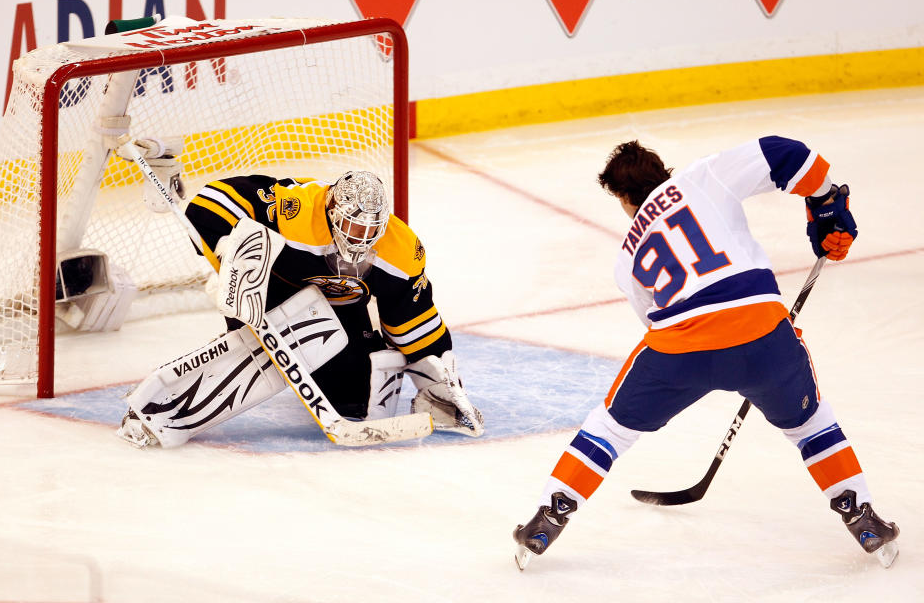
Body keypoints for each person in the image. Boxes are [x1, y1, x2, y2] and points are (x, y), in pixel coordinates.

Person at [512, 137, 899, 569]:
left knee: (611, 428)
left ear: (623, 198)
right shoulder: (704, 176)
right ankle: (862, 518)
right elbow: (788, 154)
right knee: (810, 423)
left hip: (680, 348)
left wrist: (716, 357)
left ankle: (548, 516)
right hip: (762, 335)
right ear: (664, 172)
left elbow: (656, 321)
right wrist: (825, 200)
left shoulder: (627, 256)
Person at [117, 169, 483, 447]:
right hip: (266, 295)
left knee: (353, 405)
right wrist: (226, 247)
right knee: (260, 356)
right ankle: (160, 410)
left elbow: (414, 319)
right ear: (331, 208)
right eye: (352, 228)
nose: (360, 240)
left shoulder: (400, 251)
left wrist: (438, 380)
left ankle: (314, 358)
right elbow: (214, 201)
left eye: (370, 231)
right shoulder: (296, 210)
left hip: (339, 311)